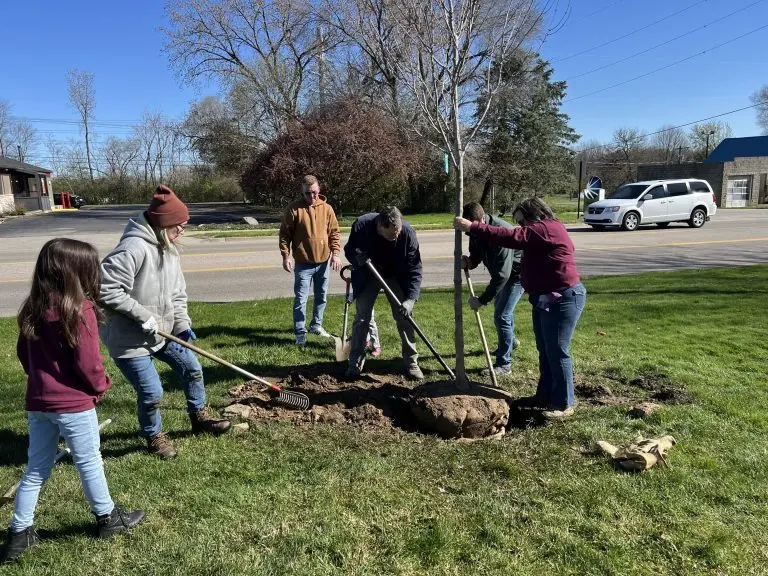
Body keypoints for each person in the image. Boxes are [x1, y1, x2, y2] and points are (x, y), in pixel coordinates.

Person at [3, 239, 145, 563]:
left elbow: (23, 356)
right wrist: (101, 384)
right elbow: (89, 363)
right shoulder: (81, 310)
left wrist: (41, 380)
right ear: (79, 272)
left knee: (36, 467)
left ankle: (18, 534)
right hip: (73, 406)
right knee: (89, 461)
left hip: (38, 404)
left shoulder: (32, 308)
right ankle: (108, 518)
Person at [100, 185, 231, 459]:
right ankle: (153, 437)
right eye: (178, 225)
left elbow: (177, 292)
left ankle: (199, 416)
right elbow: (105, 289)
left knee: (192, 368)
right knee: (152, 392)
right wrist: (141, 316)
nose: (182, 230)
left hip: (164, 333)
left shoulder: (169, 249)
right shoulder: (132, 248)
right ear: (163, 225)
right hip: (129, 340)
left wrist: (181, 324)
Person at [455, 197, 586, 419]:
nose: (520, 226)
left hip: (564, 298)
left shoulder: (547, 228)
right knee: (545, 349)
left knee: (557, 351)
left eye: (522, 221)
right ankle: (545, 395)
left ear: (534, 215)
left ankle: (564, 403)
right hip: (545, 298)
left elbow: (512, 237)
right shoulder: (540, 230)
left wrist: (473, 227)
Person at [344, 206, 423, 380]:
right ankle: (355, 361)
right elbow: (349, 249)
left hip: (395, 275)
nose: (397, 235)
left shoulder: (408, 233)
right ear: (380, 227)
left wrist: (411, 298)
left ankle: (411, 362)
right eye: (392, 234)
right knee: (362, 319)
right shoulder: (362, 225)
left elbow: (415, 268)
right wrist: (357, 259)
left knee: (404, 317)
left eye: (398, 231)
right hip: (368, 274)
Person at [460, 202, 523, 376]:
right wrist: (470, 262)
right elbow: (477, 253)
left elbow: (503, 275)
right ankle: (510, 343)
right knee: (502, 312)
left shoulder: (502, 232)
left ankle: (504, 364)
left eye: (471, 227)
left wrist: (480, 300)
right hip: (504, 274)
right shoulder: (475, 229)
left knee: (501, 315)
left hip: (517, 276)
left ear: (481, 219)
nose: (469, 233)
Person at [279, 175, 342, 345]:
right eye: (307, 193)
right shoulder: (294, 209)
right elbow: (285, 235)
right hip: (303, 263)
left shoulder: (327, 209)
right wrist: (286, 256)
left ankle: (316, 325)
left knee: (321, 297)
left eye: (314, 193)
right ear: (302, 192)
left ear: (319, 190)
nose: (311, 197)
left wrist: (335, 253)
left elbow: (334, 233)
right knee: (301, 299)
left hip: (323, 263)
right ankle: (300, 331)